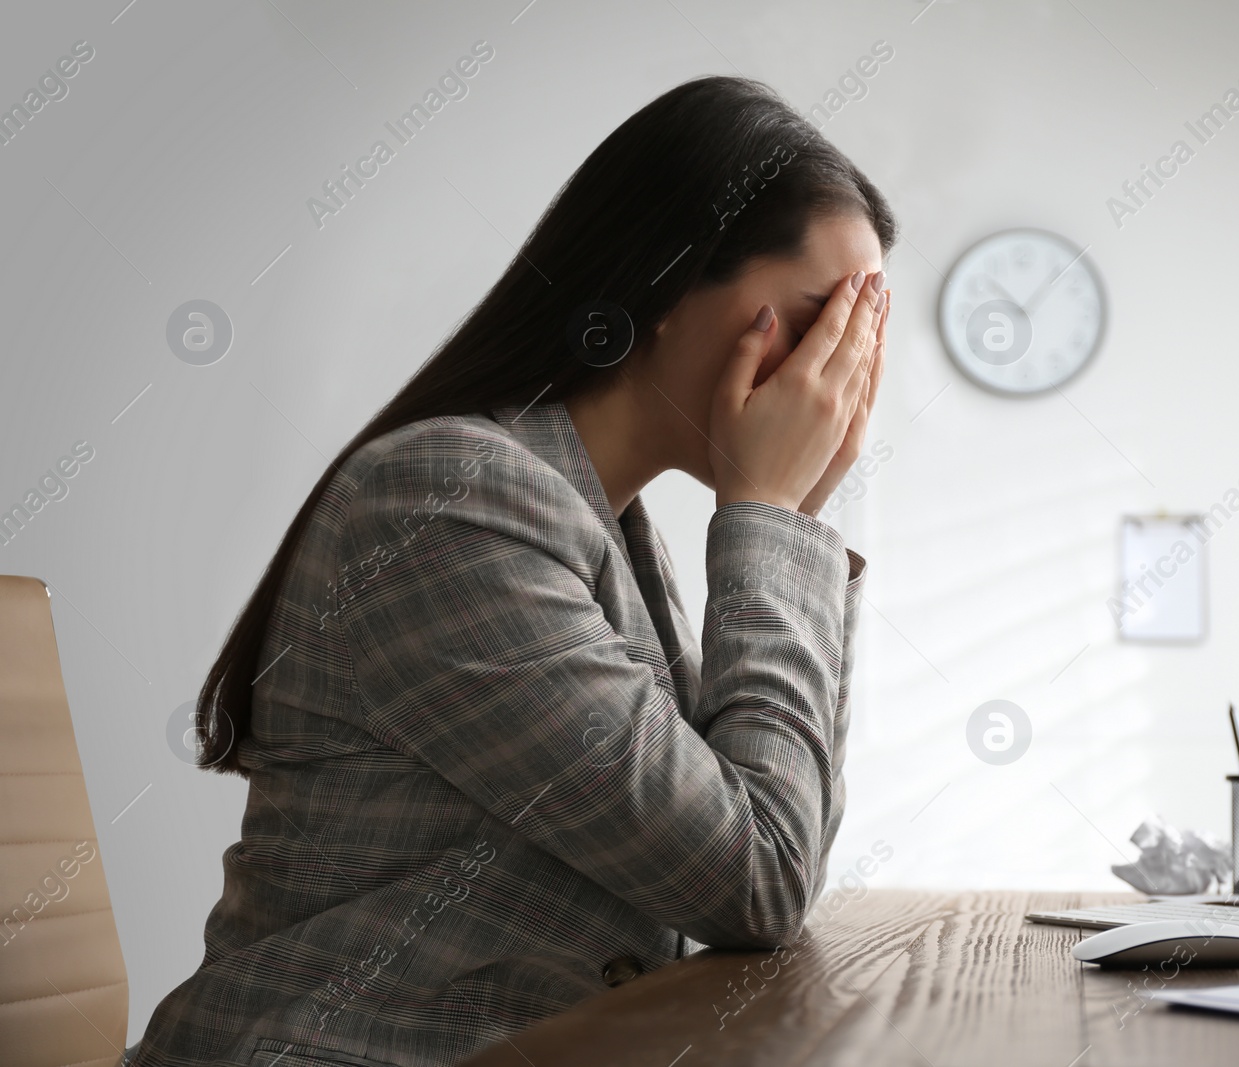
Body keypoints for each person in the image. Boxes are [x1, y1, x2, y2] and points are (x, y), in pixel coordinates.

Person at [128, 74, 896, 1067]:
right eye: (815, 318)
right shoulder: (450, 500)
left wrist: (783, 520)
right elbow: (755, 876)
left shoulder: (605, 525)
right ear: (667, 284)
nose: (831, 376)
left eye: (859, 334)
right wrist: (767, 520)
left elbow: (762, 828)